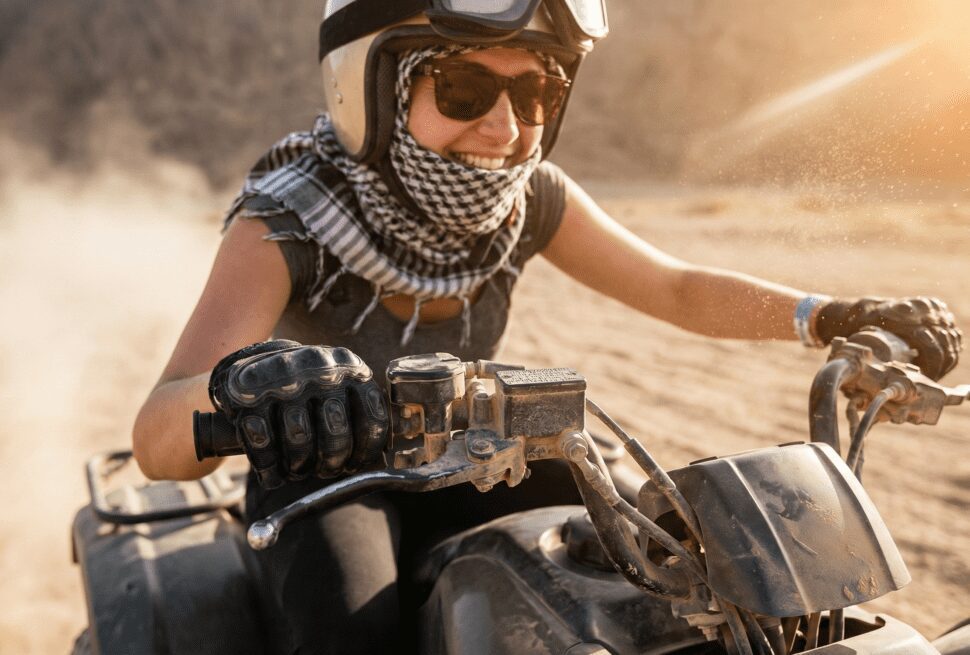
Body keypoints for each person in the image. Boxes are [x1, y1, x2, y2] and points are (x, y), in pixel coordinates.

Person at [132, 2, 961, 653]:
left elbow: (674, 287)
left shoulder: (528, 199)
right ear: (375, 89)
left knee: (671, 578)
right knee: (354, 634)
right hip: (327, 479)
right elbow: (157, 436)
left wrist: (832, 315)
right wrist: (251, 382)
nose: (504, 127)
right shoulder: (290, 219)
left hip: (479, 453)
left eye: (535, 92)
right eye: (462, 89)